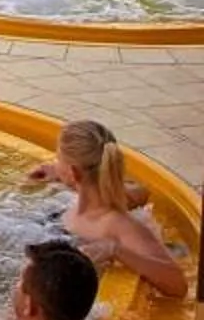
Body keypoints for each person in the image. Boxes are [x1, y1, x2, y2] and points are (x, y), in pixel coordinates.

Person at [27, 120, 188, 296]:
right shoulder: (92, 203)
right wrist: (58, 172)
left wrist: (114, 250)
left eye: (58, 159)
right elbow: (136, 190)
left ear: (73, 173)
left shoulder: (117, 225)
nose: (54, 163)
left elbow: (179, 286)